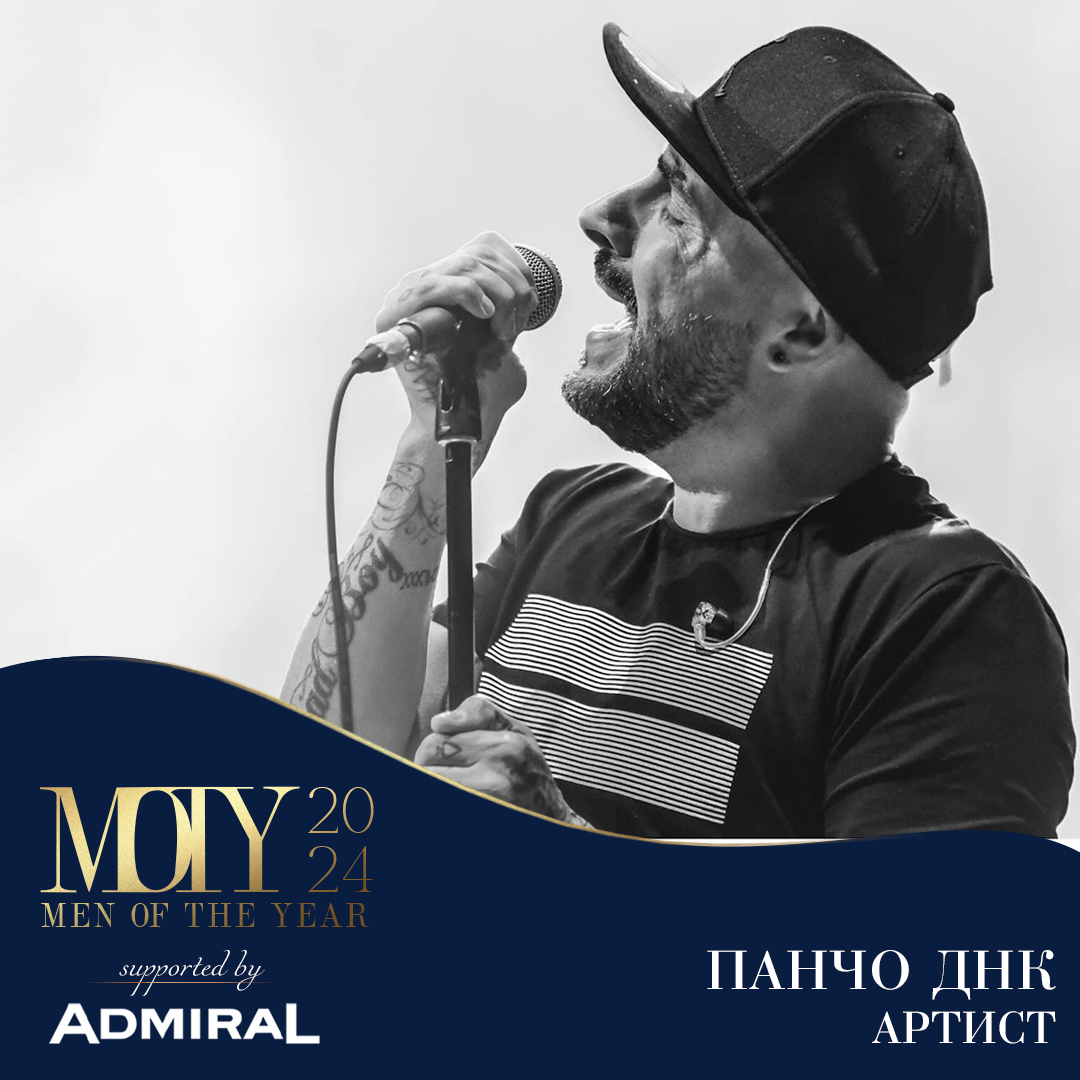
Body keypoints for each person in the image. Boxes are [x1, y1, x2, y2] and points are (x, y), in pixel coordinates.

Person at [282, 24, 1074, 838]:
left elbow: (917, 922)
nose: (602, 217)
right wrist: (432, 438)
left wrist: (559, 858)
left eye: (678, 206)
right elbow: (318, 798)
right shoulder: (573, 517)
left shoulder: (945, 615)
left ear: (801, 332)